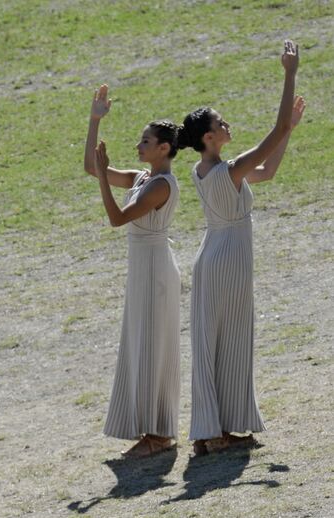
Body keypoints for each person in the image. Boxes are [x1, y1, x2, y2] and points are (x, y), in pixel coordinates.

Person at [178, 41, 304, 455]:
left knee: (219, 342)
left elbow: (267, 170)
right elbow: (276, 131)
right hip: (227, 259)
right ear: (210, 137)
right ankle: (215, 432)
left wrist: (290, 131)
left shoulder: (206, 170)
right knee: (229, 341)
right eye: (223, 123)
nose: (229, 125)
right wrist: (289, 74)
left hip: (216, 255)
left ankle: (214, 431)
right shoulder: (227, 170)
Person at [85, 85, 181, 458]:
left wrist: (104, 187)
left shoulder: (160, 185)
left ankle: (158, 434)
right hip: (143, 268)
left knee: (154, 345)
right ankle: (150, 431)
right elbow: (93, 169)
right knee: (142, 342)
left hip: (156, 270)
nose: (139, 145)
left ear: (163, 149)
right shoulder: (142, 177)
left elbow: (116, 218)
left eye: (146, 141)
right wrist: (95, 121)